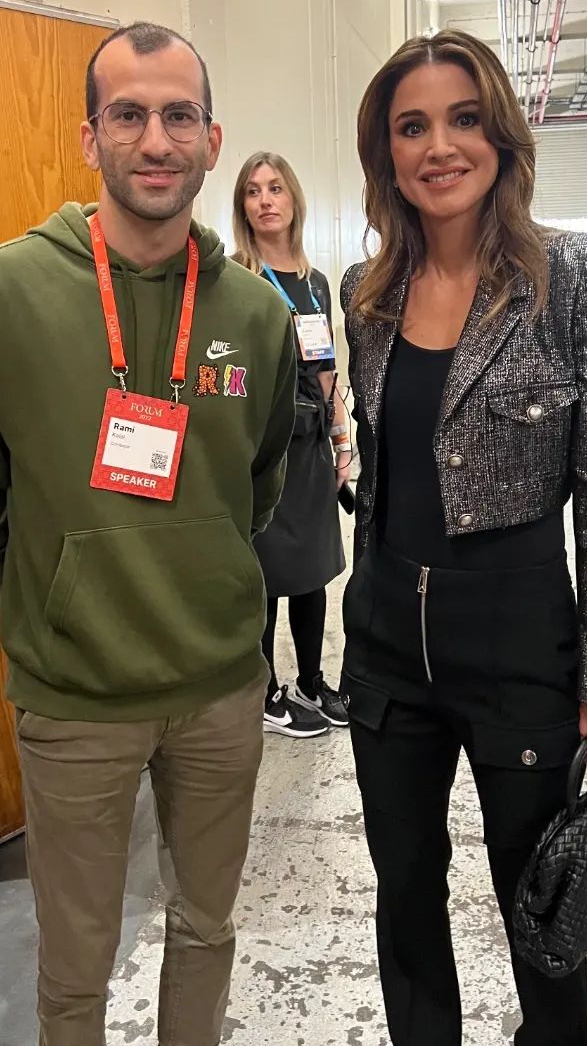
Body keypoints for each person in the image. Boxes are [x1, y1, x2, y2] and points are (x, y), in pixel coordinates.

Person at [0, 23, 297, 1046]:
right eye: (128, 114)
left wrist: (195, 566)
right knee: (75, 965)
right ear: (90, 138)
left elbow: (257, 481)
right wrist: (54, 587)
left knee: (207, 926)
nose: (156, 138)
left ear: (213, 138)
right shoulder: (1, 293)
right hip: (74, 700)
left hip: (220, 687)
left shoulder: (254, 315)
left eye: (179, 114)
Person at [339, 29, 587, 1046]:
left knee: (541, 906)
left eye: (463, 119)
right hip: (388, 643)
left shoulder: (579, 278)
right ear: (386, 154)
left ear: (502, 134)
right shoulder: (367, 294)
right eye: (411, 126)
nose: (439, 146)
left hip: (519, 644)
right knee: (405, 893)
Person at [232, 152, 349, 738]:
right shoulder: (238, 279)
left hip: (310, 448)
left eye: (276, 188)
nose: (266, 200)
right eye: (253, 192)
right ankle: (265, 690)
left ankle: (310, 679)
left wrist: (339, 436)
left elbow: (325, 363)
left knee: (312, 569)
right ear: (243, 207)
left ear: (294, 198)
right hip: (263, 449)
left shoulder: (314, 281)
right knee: (267, 574)